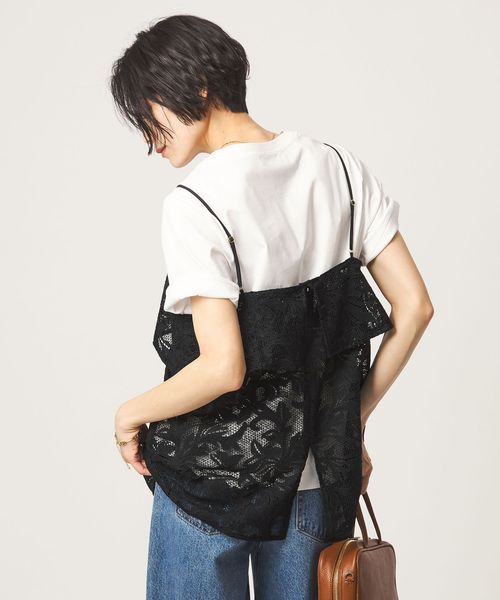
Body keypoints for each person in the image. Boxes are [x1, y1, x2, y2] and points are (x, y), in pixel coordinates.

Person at [109, 14, 434, 600]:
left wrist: (128, 416)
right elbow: (414, 308)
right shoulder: (340, 169)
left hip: (210, 485)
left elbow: (223, 367)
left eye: (148, 111)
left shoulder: (196, 202)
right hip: (313, 485)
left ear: (197, 88)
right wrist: (348, 422)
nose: (149, 138)